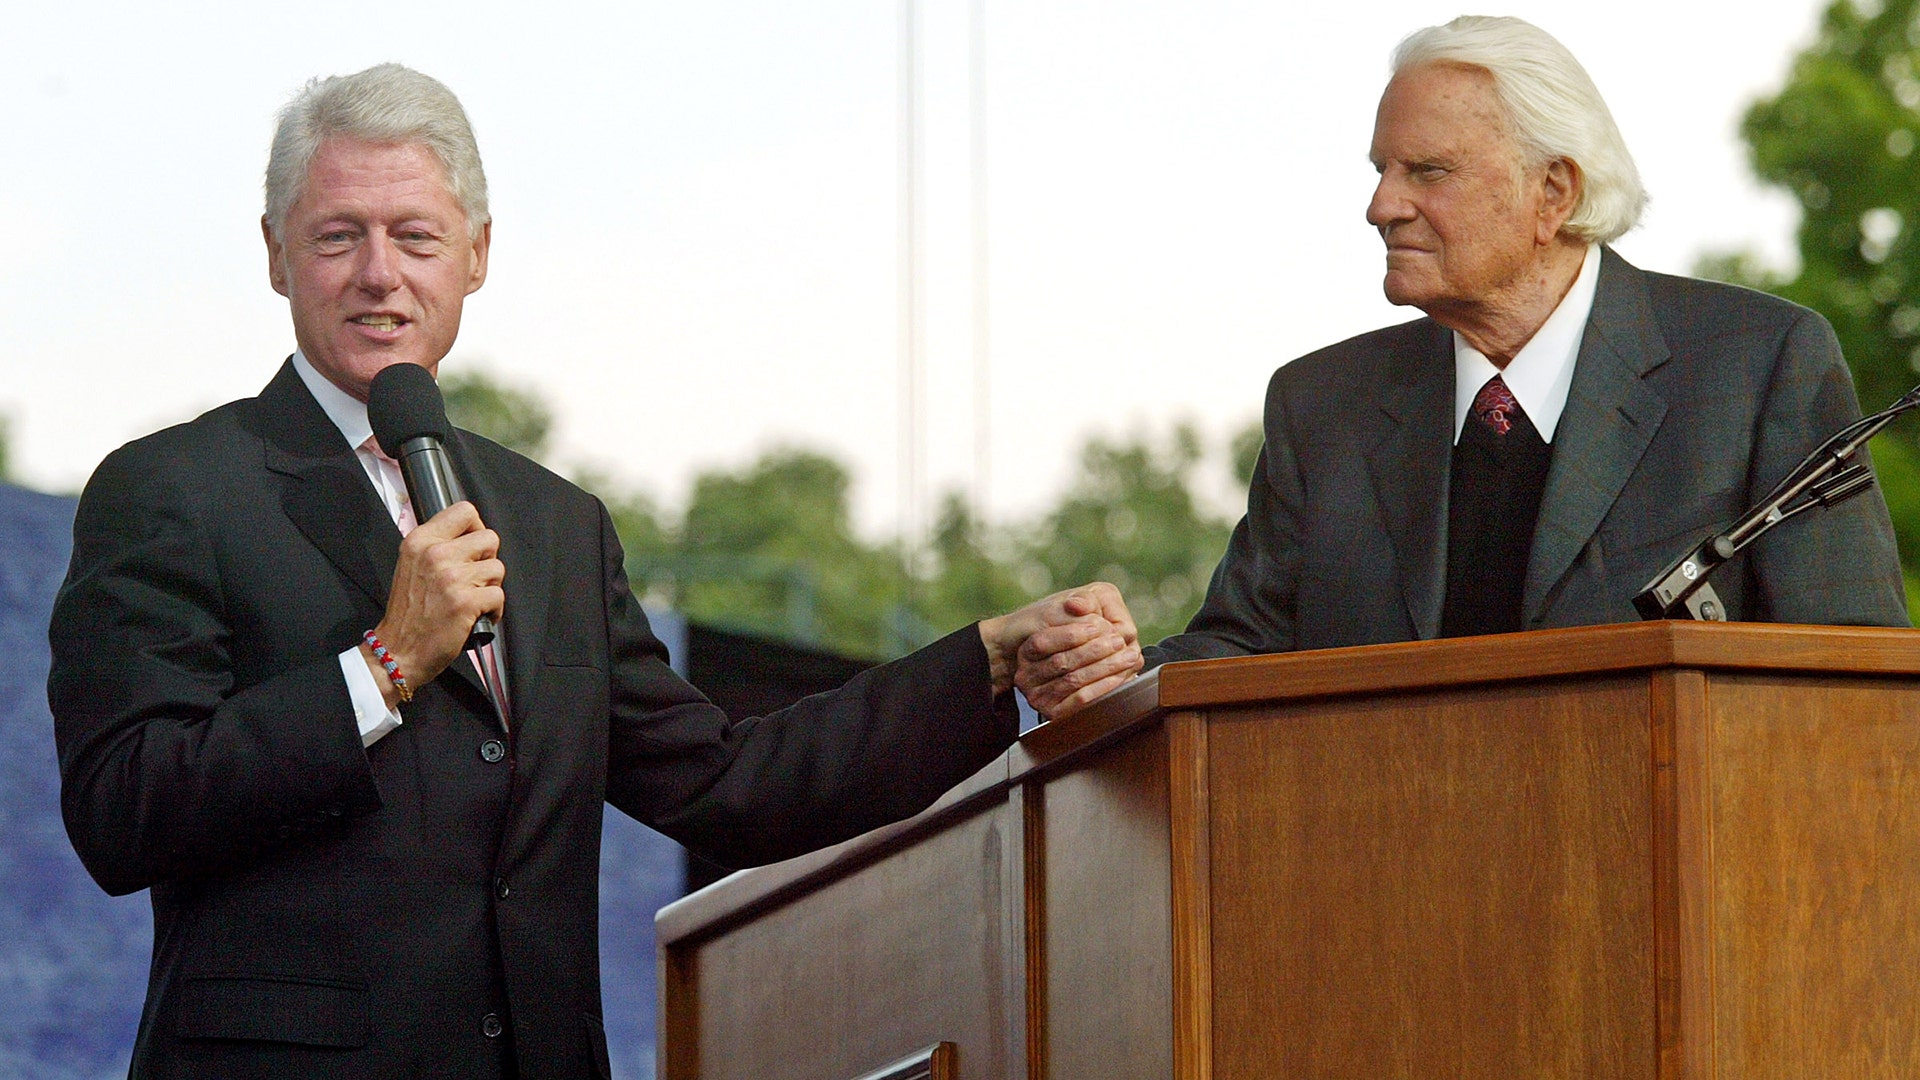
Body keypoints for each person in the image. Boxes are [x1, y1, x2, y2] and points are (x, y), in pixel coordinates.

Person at [49, 64, 1141, 1079]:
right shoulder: (176, 488)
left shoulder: (556, 523)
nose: (379, 273)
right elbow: (122, 809)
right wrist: (382, 667)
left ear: (476, 254)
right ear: (277, 253)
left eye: (416, 236)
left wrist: (988, 662)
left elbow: (726, 781)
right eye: (339, 236)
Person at [1151, 15, 1908, 665]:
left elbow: (1847, 675)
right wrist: (1080, 669)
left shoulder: (1760, 364)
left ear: (1553, 192)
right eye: (1383, 169)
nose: (1381, 206)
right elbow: (1230, 659)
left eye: (1427, 171)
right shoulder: (1321, 406)